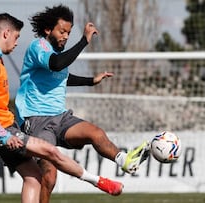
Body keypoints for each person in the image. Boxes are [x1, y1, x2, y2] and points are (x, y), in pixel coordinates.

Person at [0, 13, 124, 203]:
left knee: (34, 178)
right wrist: (4, 136)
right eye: (16, 37)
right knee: (51, 152)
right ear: (6, 33)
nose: (16, 43)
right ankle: (98, 181)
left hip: (2, 128)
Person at [15, 5, 150, 203]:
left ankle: (125, 160)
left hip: (60, 117)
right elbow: (56, 65)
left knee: (95, 133)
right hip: (35, 121)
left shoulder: (57, 54)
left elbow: (61, 77)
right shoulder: (39, 47)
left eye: (69, 33)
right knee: (50, 176)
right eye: (62, 31)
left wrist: (90, 81)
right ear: (47, 30)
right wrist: (84, 41)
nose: (65, 36)